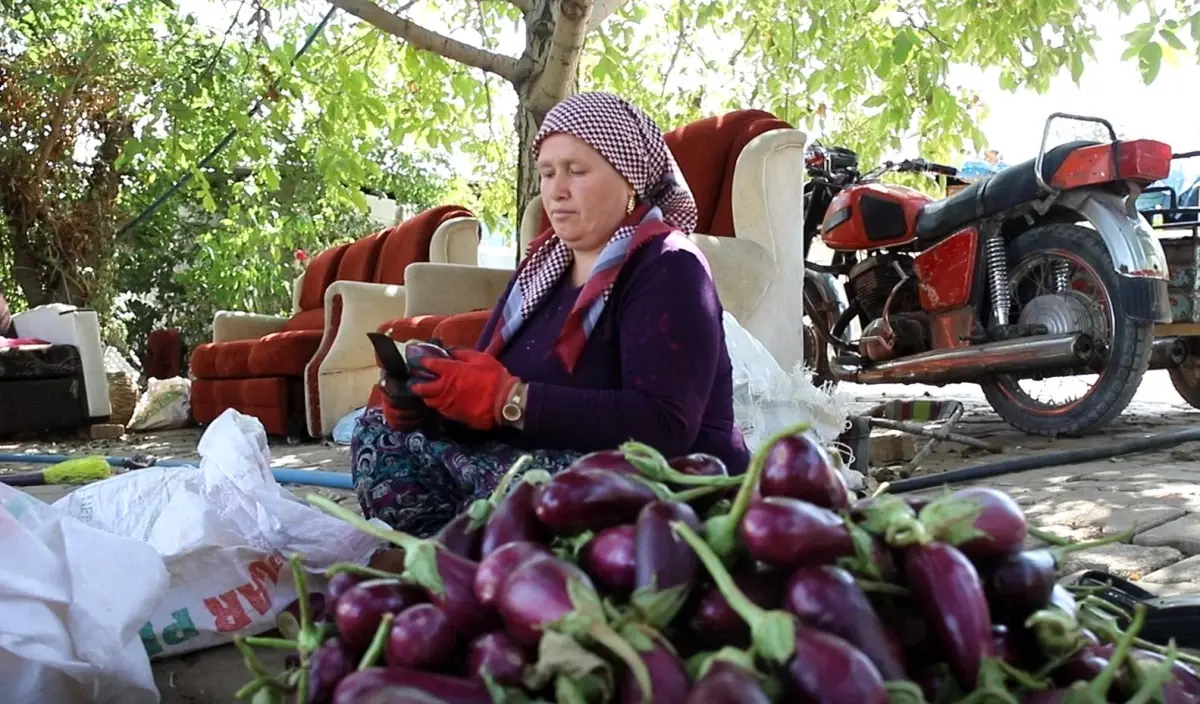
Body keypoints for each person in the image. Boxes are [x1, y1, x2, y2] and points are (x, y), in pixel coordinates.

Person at [352, 92, 750, 537]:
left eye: (577, 171)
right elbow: (488, 395)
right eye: (547, 173)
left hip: (665, 481)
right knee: (380, 434)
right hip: (543, 455)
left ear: (630, 178)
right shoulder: (540, 269)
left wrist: (512, 400)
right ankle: (442, 551)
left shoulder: (669, 265)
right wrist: (429, 404)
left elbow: (665, 425)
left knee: (526, 485)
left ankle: (474, 551)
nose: (556, 191)